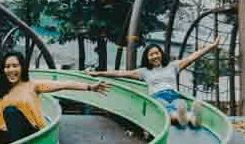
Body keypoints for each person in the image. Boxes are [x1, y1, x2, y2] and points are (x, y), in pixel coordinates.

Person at [0, 24, 108, 144]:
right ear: (3, 70)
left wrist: (90, 87)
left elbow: (63, 84)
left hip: (29, 134)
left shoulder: (32, 85)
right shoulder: (0, 87)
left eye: (15, 66)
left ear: (22, 68)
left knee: (10, 111)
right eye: (7, 67)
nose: (11, 70)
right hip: (9, 136)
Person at [86, 37, 220, 128]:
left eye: (157, 53)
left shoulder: (173, 66)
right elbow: (120, 73)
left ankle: (188, 117)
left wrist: (211, 47)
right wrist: (97, 73)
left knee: (179, 104)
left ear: (161, 54)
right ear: (147, 58)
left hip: (174, 94)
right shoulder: (144, 72)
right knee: (166, 110)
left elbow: (193, 57)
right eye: (151, 55)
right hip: (157, 97)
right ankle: (186, 117)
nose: (155, 56)